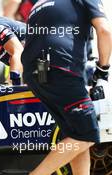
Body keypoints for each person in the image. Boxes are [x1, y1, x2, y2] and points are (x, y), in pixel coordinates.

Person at [21, 0, 112, 175]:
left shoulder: (39, 3)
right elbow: (105, 30)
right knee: (88, 134)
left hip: (35, 73)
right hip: (61, 68)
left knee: (75, 135)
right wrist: (103, 72)